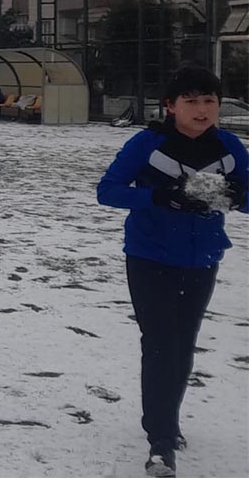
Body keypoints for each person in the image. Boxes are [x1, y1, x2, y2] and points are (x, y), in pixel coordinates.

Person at [95, 66, 248, 478]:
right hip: (150, 258)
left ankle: (168, 422)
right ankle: (160, 441)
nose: (202, 110)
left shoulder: (231, 147)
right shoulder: (147, 143)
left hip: (203, 260)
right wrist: (162, 197)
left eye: (209, 101)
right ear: (171, 106)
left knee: (183, 344)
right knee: (161, 342)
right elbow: (107, 192)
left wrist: (237, 196)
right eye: (191, 101)